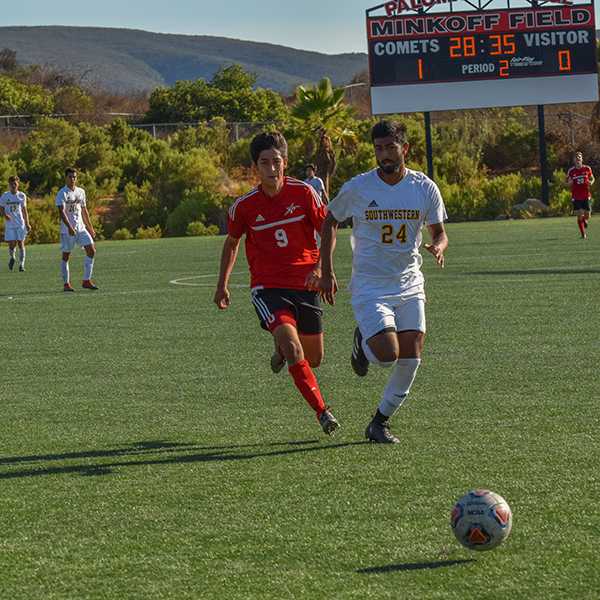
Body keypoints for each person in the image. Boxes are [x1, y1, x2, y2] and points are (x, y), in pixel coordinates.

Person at [319, 120, 448, 444]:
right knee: (387, 355)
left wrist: (439, 246)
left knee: (412, 354)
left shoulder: (424, 187)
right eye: (379, 148)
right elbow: (330, 220)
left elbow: (439, 232)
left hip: (409, 282)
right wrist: (326, 270)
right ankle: (362, 340)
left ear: (404, 149)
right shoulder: (359, 187)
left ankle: (379, 422)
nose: (384, 154)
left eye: (391, 147)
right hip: (370, 285)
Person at [213, 131, 339, 436]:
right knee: (295, 348)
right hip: (267, 288)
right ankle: (323, 412)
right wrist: (222, 284)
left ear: (285, 162)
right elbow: (232, 243)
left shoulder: (304, 194)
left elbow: (327, 231)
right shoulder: (243, 207)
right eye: (265, 162)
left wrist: (322, 268)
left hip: (306, 281)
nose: (272, 168)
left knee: (315, 359)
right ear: (256, 167)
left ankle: (281, 350)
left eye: (277, 161)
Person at [55, 168, 98, 292]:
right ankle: (66, 283)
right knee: (66, 256)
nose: (72, 179)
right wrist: (69, 227)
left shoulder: (81, 192)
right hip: (67, 230)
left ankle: (86, 280)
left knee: (91, 250)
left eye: (74, 177)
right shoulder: (62, 193)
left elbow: (84, 211)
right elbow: (61, 212)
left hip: (81, 228)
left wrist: (90, 228)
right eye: (70, 177)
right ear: (65, 178)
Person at [0, 175, 31, 272]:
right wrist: (5, 215)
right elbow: (1, 208)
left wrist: (27, 223)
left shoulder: (22, 195)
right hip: (10, 224)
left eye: (15, 183)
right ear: (9, 185)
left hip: (20, 223)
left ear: (18, 184)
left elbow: (24, 210)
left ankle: (21, 265)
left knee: (21, 243)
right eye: (11, 184)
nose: (13, 185)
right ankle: (12, 257)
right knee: (12, 244)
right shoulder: (5, 196)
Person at [567, 151, 594, 239]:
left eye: (579, 157)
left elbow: (592, 178)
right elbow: (567, 181)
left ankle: (585, 220)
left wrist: (591, 182)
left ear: (582, 159)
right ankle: (583, 234)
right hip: (576, 196)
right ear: (574, 160)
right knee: (579, 214)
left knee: (587, 215)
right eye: (576, 157)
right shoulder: (571, 171)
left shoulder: (587, 169)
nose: (578, 158)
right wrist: (569, 182)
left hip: (586, 195)